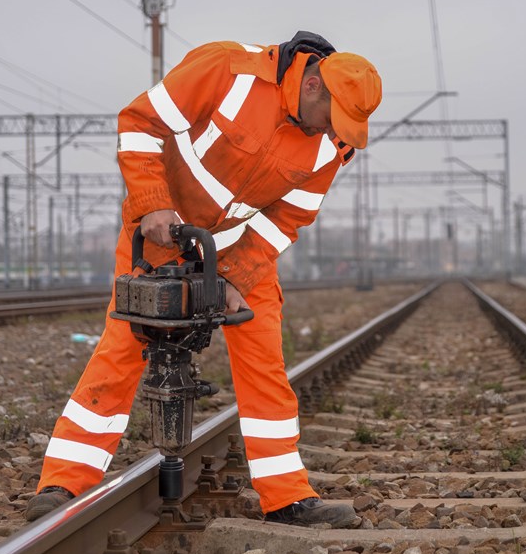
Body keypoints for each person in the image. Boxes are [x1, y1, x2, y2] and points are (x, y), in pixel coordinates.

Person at [24, 31, 382, 527]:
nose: (333, 132)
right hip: (160, 231)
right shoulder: (227, 70)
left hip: (238, 250)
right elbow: (140, 123)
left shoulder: (332, 144)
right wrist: (153, 204)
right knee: (124, 348)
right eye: (333, 118)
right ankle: (63, 481)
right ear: (315, 86)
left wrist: (235, 274)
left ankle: (287, 497)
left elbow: (288, 219)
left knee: (264, 361)